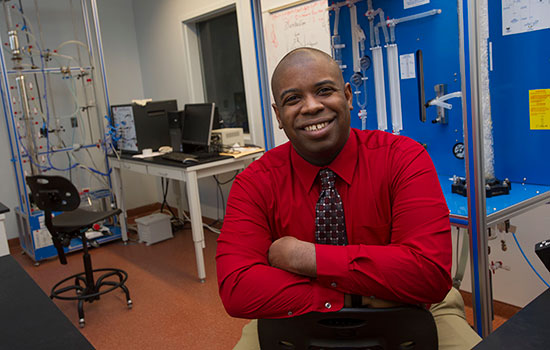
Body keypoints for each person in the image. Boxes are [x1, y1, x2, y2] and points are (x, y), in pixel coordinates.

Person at [216, 47, 481, 349]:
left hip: (416, 308)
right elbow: (237, 290)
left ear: (348, 96)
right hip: (292, 312)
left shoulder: (404, 158)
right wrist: (357, 297)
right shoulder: (255, 182)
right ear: (278, 115)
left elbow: (429, 276)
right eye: (293, 99)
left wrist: (304, 257)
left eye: (324, 91)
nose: (312, 106)